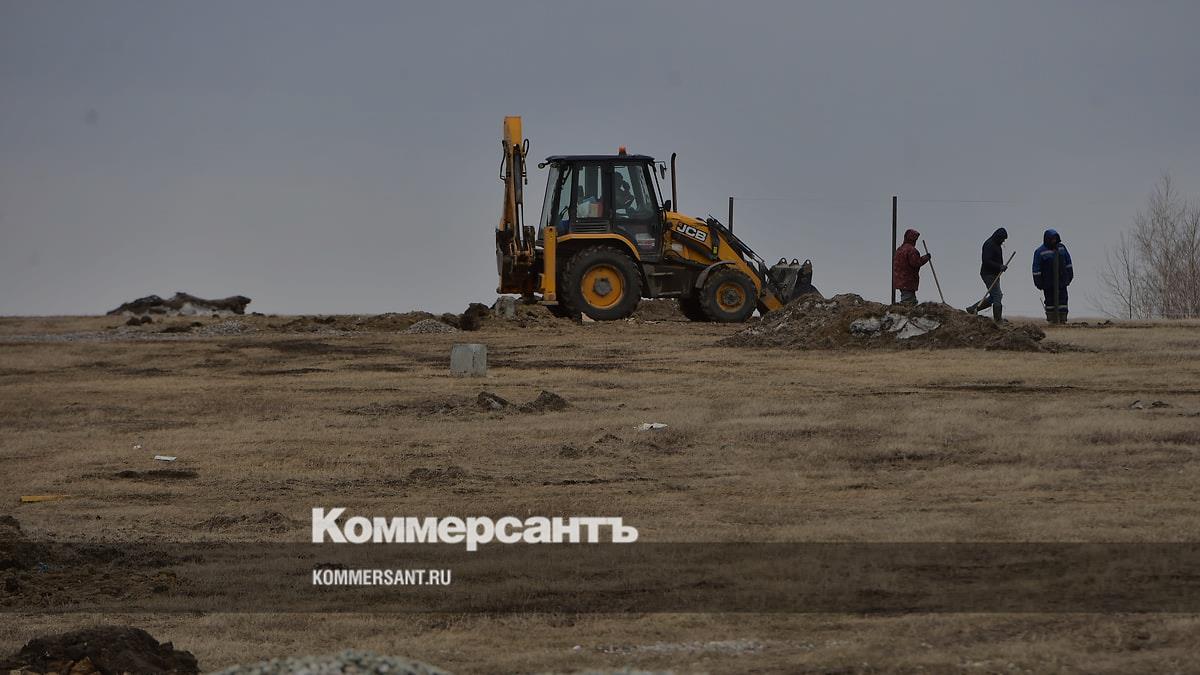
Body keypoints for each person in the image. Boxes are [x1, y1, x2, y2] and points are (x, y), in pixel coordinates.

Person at [1032, 228, 1073, 323]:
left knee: (1063, 300)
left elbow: (1068, 262)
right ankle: (1051, 319)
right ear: (1047, 239)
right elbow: (1036, 268)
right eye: (1052, 239)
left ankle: (1062, 319)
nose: (1054, 241)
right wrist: (1038, 281)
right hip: (1048, 281)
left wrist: (1070, 275)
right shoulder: (1040, 251)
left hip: (1062, 280)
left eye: (1055, 239)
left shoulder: (1062, 248)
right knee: (1050, 300)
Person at [966, 227, 1008, 321]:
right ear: (998, 237)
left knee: (994, 296)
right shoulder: (989, 244)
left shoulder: (997, 244)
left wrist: (1001, 267)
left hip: (995, 274)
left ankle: (972, 309)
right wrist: (999, 266)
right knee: (997, 295)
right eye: (1002, 239)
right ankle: (998, 320)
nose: (1003, 241)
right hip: (988, 274)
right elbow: (986, 261)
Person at [892, 228, 931, 305]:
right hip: (908, 280)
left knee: (907, 297)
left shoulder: (899, 249)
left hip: (899, 279)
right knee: (909, 300)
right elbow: (916, 263)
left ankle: (904, 308)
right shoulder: (911, 250)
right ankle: (904, 310)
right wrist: (926, 258)